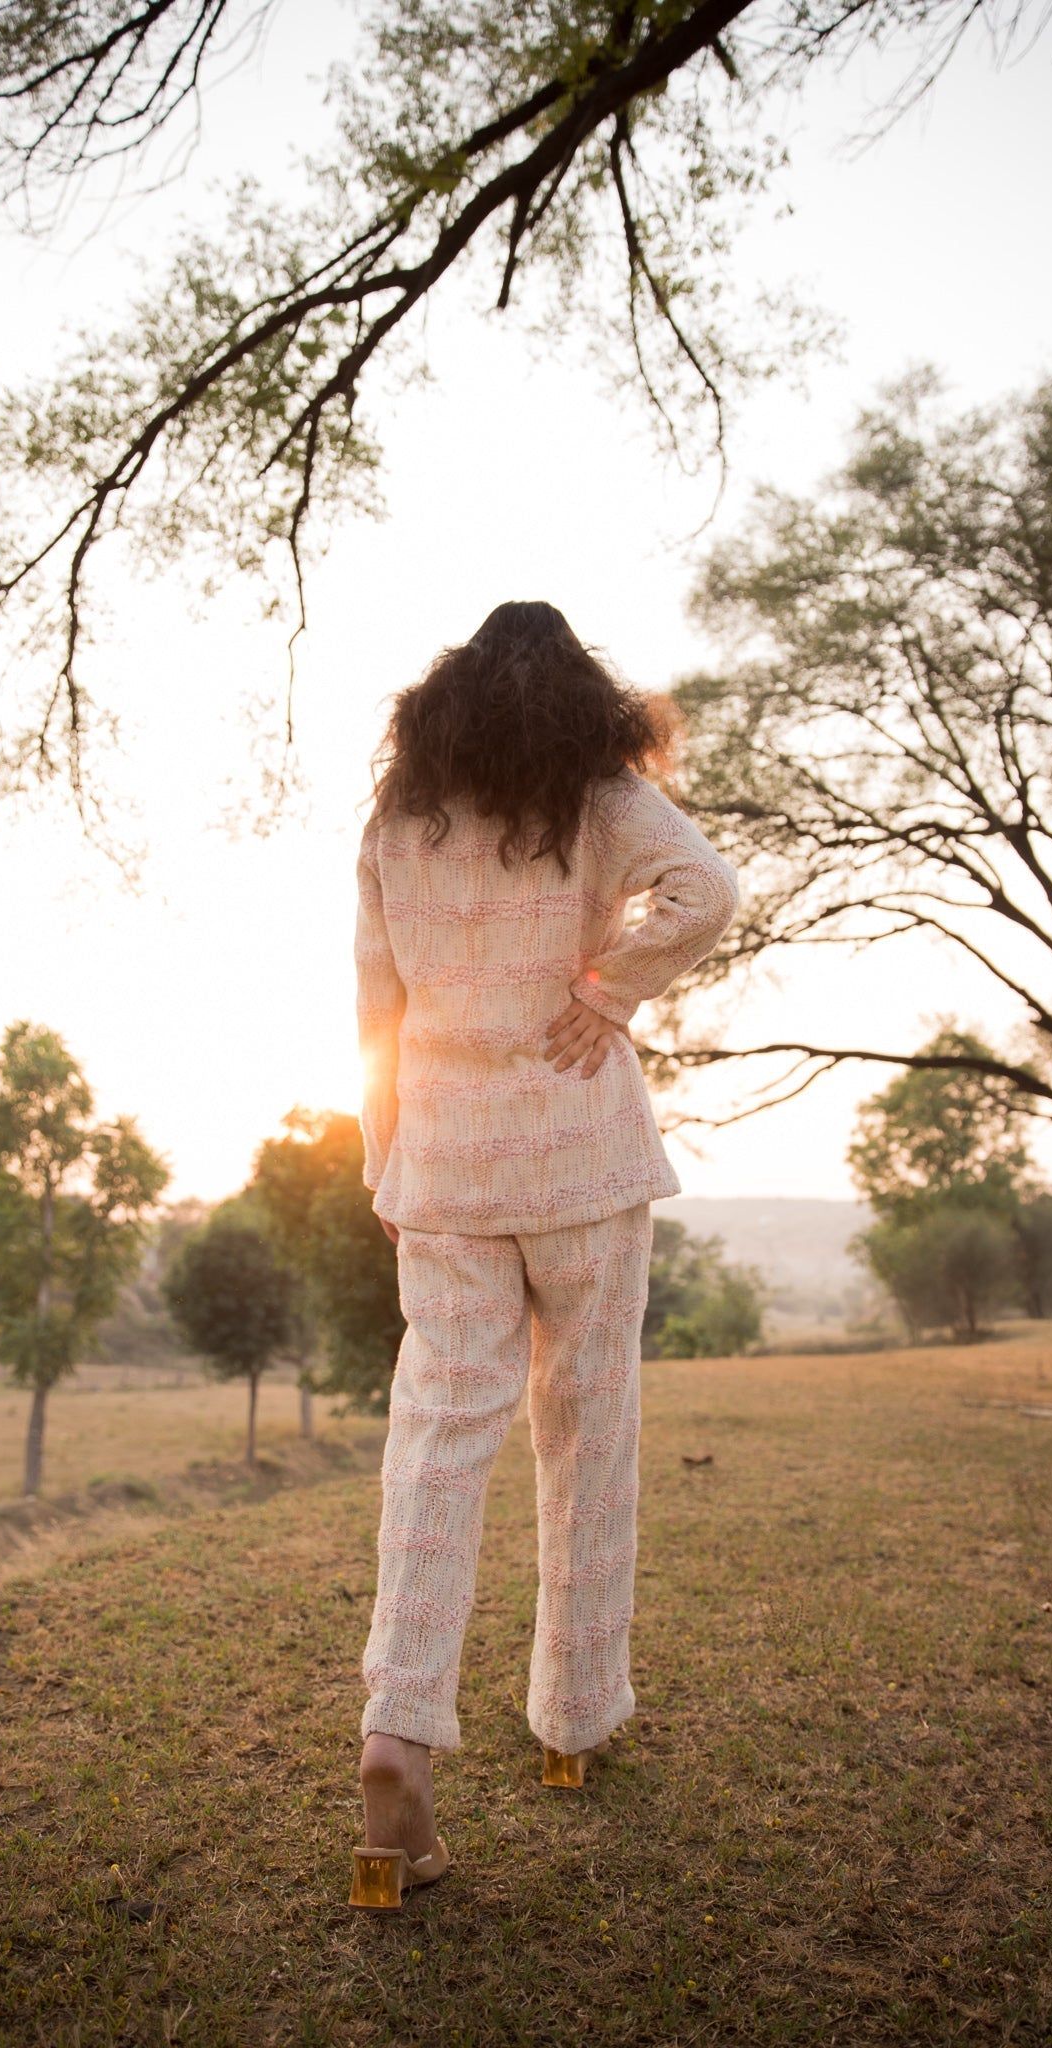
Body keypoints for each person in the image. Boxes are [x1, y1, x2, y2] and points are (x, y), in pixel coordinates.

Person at [347, 600, 739, 1910]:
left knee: (436, 1439)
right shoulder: (599, 794)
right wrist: (607, 993)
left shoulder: (398, 819)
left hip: (447, 1169)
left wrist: (384, 1160)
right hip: (580, 1157)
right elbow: (706, 889)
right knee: (587, 1431)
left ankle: (398, 1732)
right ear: (580, 699)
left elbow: (374, 1006)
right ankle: (572, 1719)